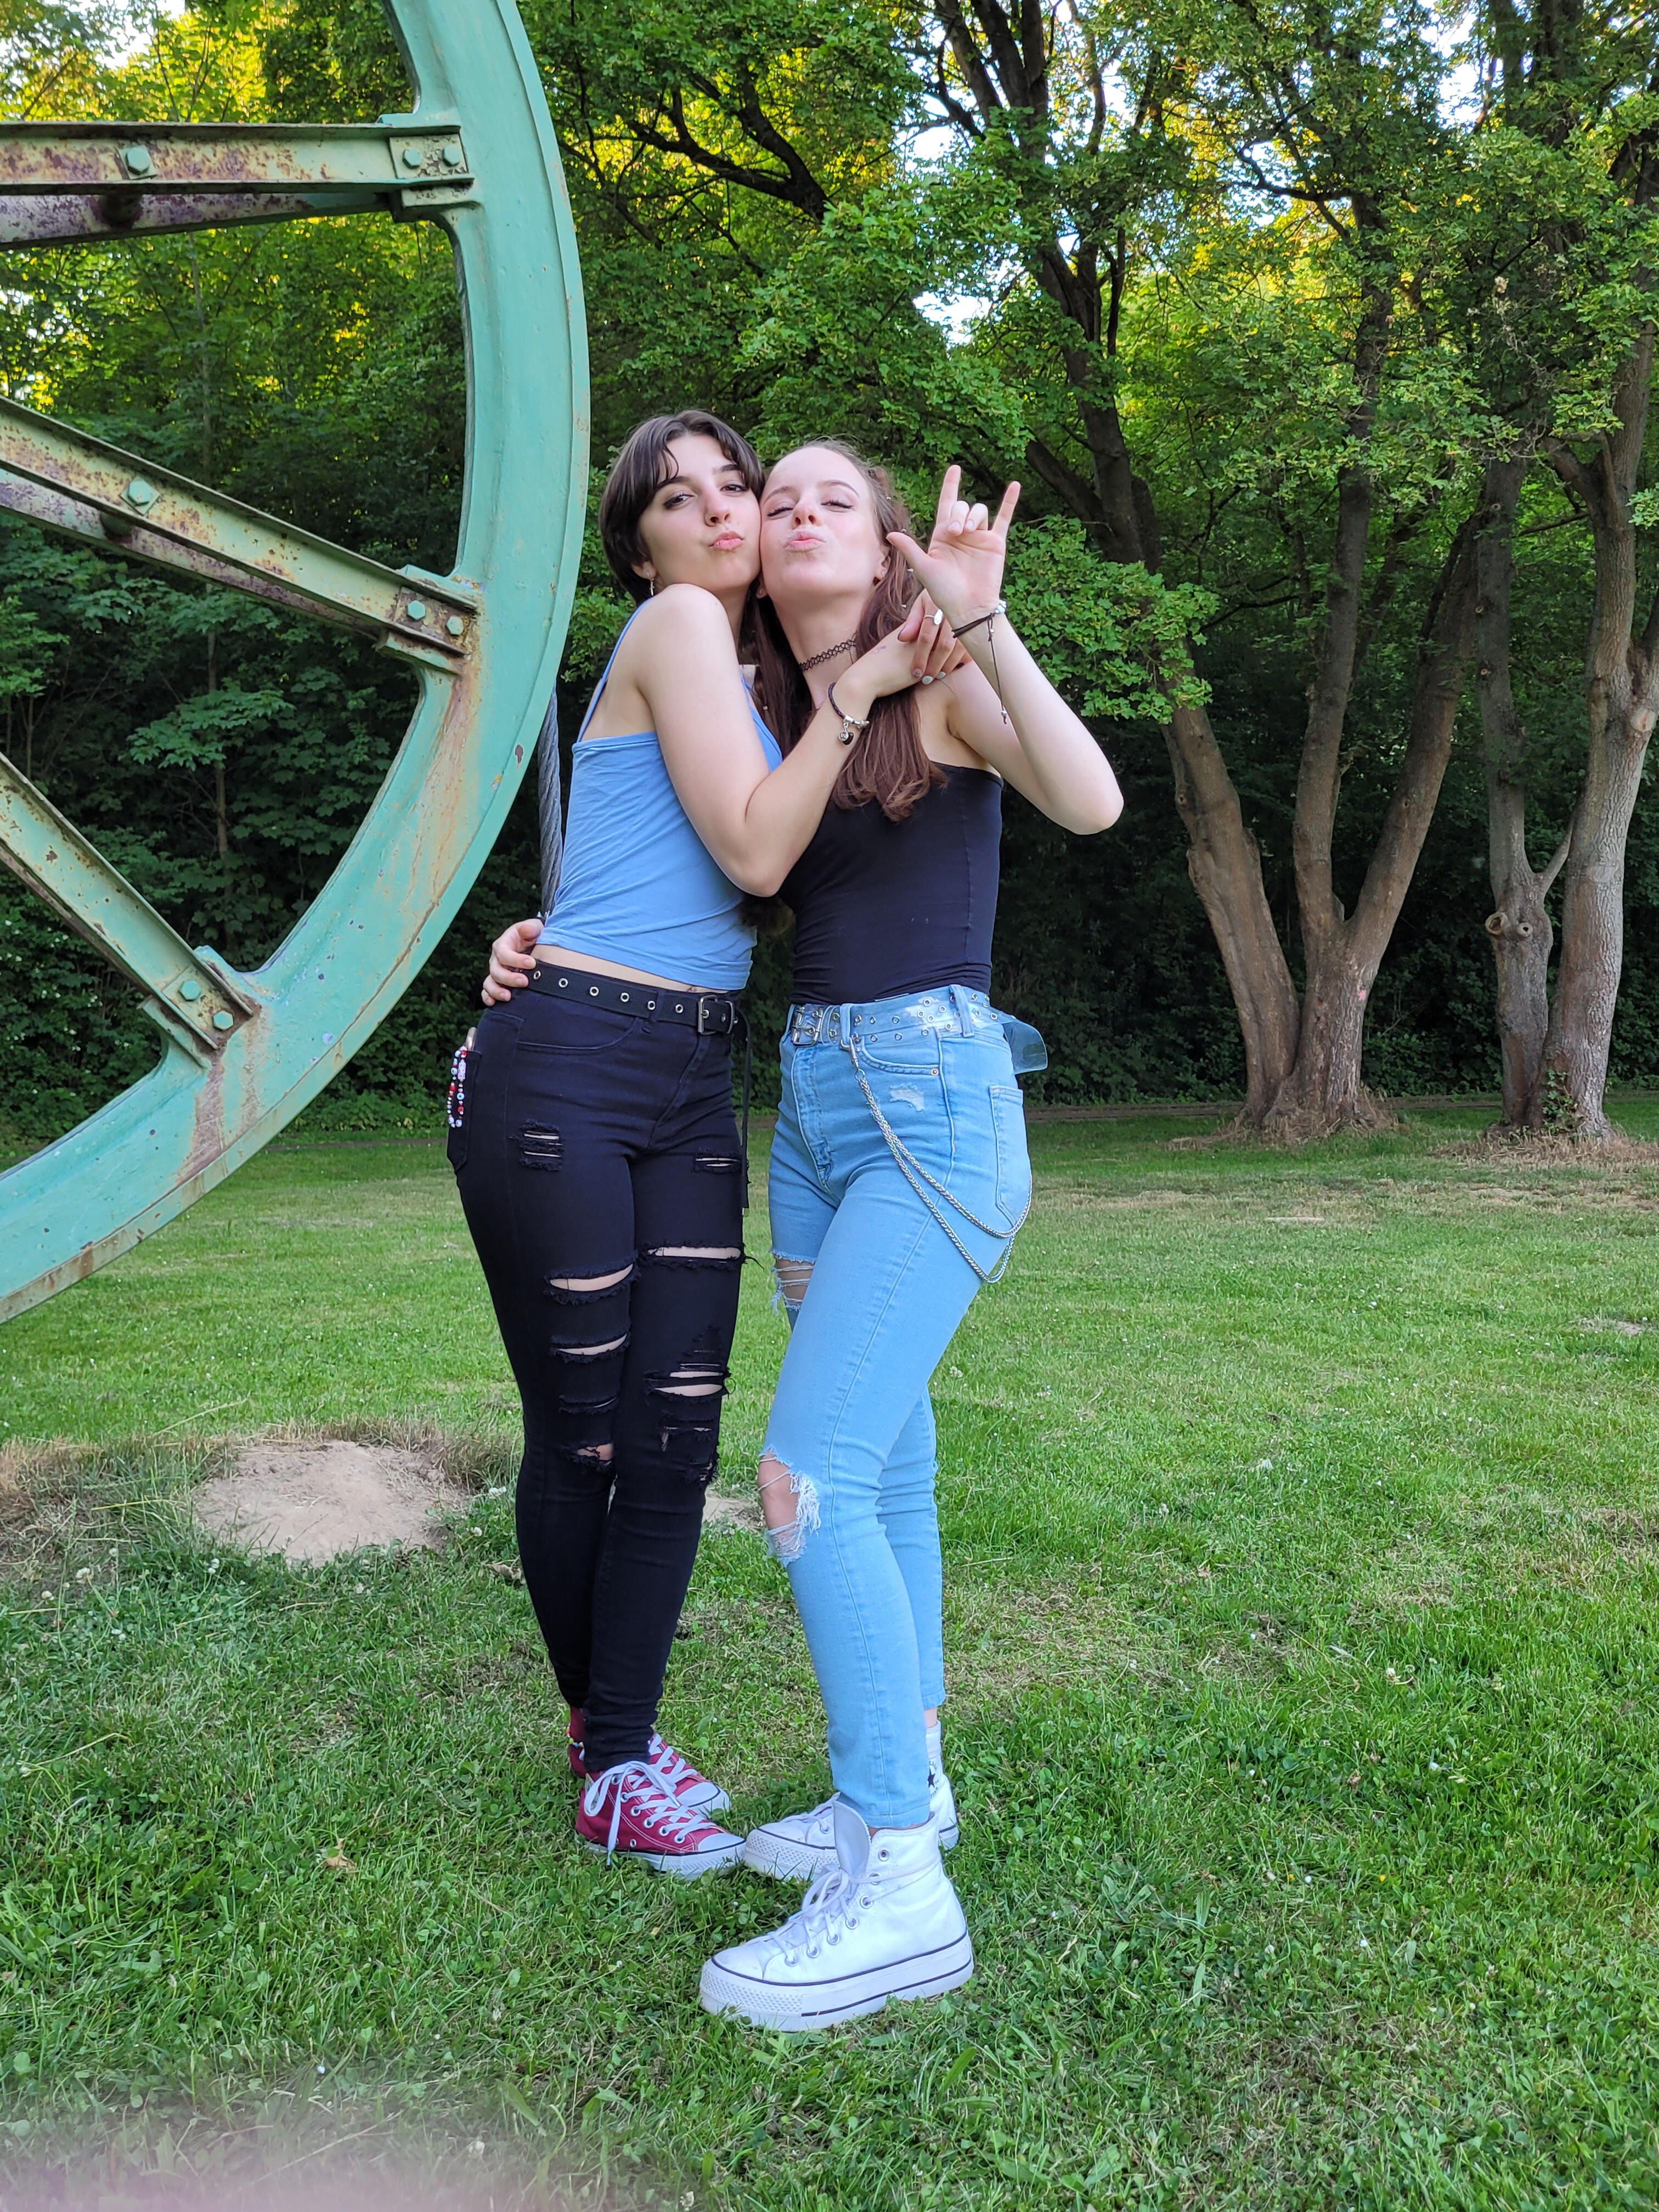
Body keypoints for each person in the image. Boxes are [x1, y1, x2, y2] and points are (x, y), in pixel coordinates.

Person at [491, 442, 1123, 2027]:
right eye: (776, 504)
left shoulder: (940, 684)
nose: (788, 515)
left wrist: (984, 619)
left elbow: (1093, 799)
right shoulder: (775, 706)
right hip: (815, 1117)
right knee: (889, 1466)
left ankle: (900, 1887)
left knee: (808, 1476)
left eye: (833, 498)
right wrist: (540, 940)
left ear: (891, 539)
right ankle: (902, 1785)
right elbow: (690, 857)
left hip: (932, 1101)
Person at [449, 410, 957, 1879]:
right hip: (571, 1058)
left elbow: (784, 864)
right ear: (642, 550)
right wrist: (869, 682)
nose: (725, 512)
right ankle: (609, 1761)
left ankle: (625, 1739)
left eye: (738, 484)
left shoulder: (773, 680)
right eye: (680, 501)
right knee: (588, 1429)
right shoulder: (678, 625)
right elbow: (752, 850)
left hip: (689, 1073)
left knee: (677, 1432)